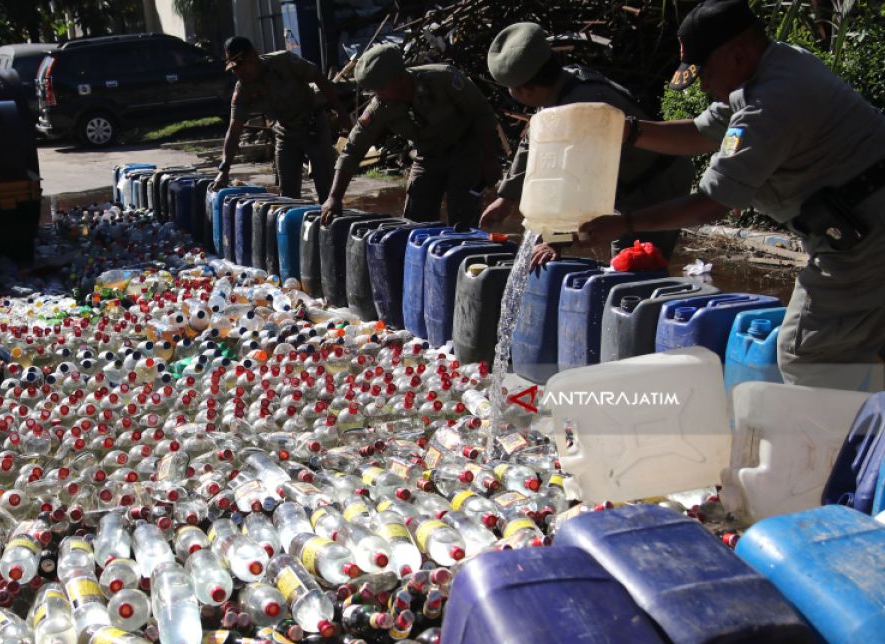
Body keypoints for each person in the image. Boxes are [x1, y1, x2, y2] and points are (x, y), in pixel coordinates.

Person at [579, 0, 885, 392]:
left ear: (736, 54)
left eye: (704, 73)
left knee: (806, 354)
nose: (703, 86)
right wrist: (628, 130)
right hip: (862, 221)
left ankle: (837, 446)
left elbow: (711, 202)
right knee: (863, 342)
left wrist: (624, 224)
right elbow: (701, 133)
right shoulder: (773, 67)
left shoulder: (770, 104)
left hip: (865, 239)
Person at [482, 22, 694, 267]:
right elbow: (532, 141)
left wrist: (554, 241)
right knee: (622, 264)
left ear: (524, 89)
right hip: (627, 182)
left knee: (633, 263)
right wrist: (506, 198)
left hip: (656, 184)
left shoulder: (580, 110)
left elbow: (578, 188)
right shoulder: (559, 88)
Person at [321, 44, 500, 228]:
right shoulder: (380, 107)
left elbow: (482, 114)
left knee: (462, 222)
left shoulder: (443, 78)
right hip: (427, 157)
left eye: (381, 88)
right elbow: (353, 150)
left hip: (465, 152)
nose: (377, 96)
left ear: (399, 77)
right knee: (414, 223)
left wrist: (490, 158)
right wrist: (334, 197)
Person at [213, 37, 353, 202]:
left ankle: (330, 224)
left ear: (253, 56)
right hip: (285, 132)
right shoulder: (243, 89)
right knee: (287, 195)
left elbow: (318, 77)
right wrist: (224, 169)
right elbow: (234, 129)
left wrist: (342, 113)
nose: (239, 72)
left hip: (313, 126)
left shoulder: (284, 61)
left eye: (242, 66)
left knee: (327, 188)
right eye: (234, 69)